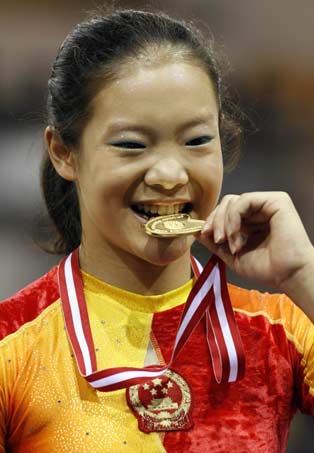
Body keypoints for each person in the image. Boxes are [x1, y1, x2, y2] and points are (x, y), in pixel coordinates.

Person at [0, 7, 313, 453]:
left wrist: (304, 274)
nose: (169, 173)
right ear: (64, 153)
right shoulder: (12, 344)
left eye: (197, 140)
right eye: (132, 145)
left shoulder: (278, 327)